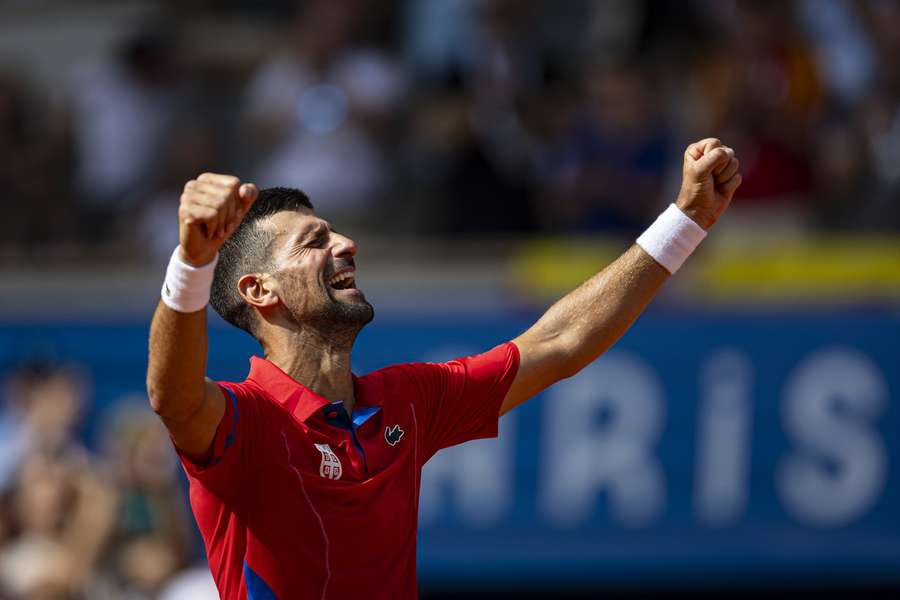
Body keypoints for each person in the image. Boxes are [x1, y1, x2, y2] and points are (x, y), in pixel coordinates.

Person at [146, 138, 741, 599]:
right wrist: (192, 263)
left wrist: (684, 222)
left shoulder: (407, 400)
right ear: (259, 289)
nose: (347, 244)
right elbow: (171, 397)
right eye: (315, 241)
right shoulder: (246, 421)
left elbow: (560, 341)